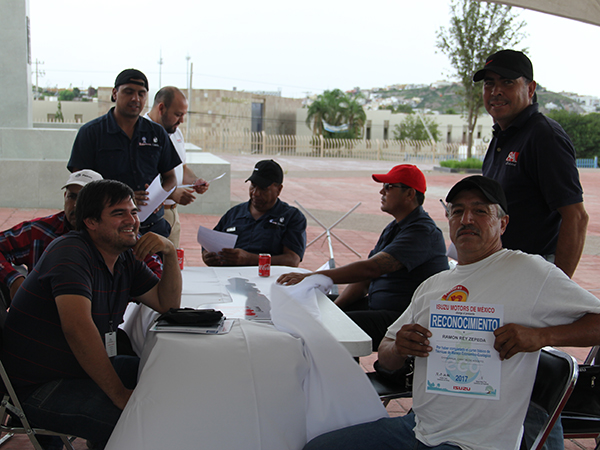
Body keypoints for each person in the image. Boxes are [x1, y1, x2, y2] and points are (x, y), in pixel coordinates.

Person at [303, 175, 600, 450]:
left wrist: (541, 336)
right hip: (416, 429)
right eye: (457, 211)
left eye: (480, 211)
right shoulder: (434, 285)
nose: (466, 219)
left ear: (503, 223)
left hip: (477, 442)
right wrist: (400, 347)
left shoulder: (529, 271)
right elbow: (387, 355)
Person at [1, 179, 182, 449]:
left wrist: (169, 253)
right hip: (38, 388)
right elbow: (78, 330)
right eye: (118, 213)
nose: (132, 220)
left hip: (76, 373)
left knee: (167, 375)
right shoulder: (70, 253)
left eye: (133, 212)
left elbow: (167, 304)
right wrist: (120, 395)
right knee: (139, 420)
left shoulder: (123, 256)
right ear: (91, 222)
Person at [278, 164, 448, 350]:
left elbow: (371, 268)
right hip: (377, 306)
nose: (382, 191)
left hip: (403, 318)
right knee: (314, 304)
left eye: (389, 187)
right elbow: (364, 279)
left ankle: (341, 369)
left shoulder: (422, 232)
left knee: (330, 327)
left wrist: (312, 277)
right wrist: (336, 308)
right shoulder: (395, 227)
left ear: (410, 194)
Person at [476, 50, 588, 278]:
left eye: (507, 82)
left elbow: (576, 217)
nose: (496, 91)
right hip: (502, 269)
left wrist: (556, 285)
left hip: (533, 273)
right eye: (489, 83)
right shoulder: (502, 135)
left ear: (530, 89)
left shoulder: (544, 136)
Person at [67, 69, 182, 238]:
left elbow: (170, 178)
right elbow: (79, 184)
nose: (136, 99)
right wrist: (121, 199)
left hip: (152, 228)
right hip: (108, 232)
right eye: (129, 92)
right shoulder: (91, 133)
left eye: (141, 94)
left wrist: (158, 197)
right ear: (115, 93)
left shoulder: (157, 133)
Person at [202, 159, 306, 267]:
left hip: (268, 276)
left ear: (279, 189)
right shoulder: (234, 214)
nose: (255, 193)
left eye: (263, 189)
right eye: (253, 185)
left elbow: (292, 260)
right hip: (229, 275)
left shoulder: (292, 217)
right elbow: (211, 242)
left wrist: (249, 259)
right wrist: (207, 255)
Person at [145, 86, 209, 247]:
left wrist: (195, 181)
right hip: (152, 216)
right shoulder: (142, 133)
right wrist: (171, 193)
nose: (181, 121)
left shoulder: (175, 132)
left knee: (173, 260)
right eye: (178, 114)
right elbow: (143, 179)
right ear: (161, 108)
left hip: (173, 213)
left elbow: (182, 168)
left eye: (184, 115)